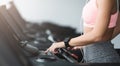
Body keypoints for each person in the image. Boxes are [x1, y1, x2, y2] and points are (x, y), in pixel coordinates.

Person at [45, 0, 120, 63]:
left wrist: (65, 43)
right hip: (92, 57)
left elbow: (98, 35)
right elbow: (118, 26)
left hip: (102, 59)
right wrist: (86, 43)